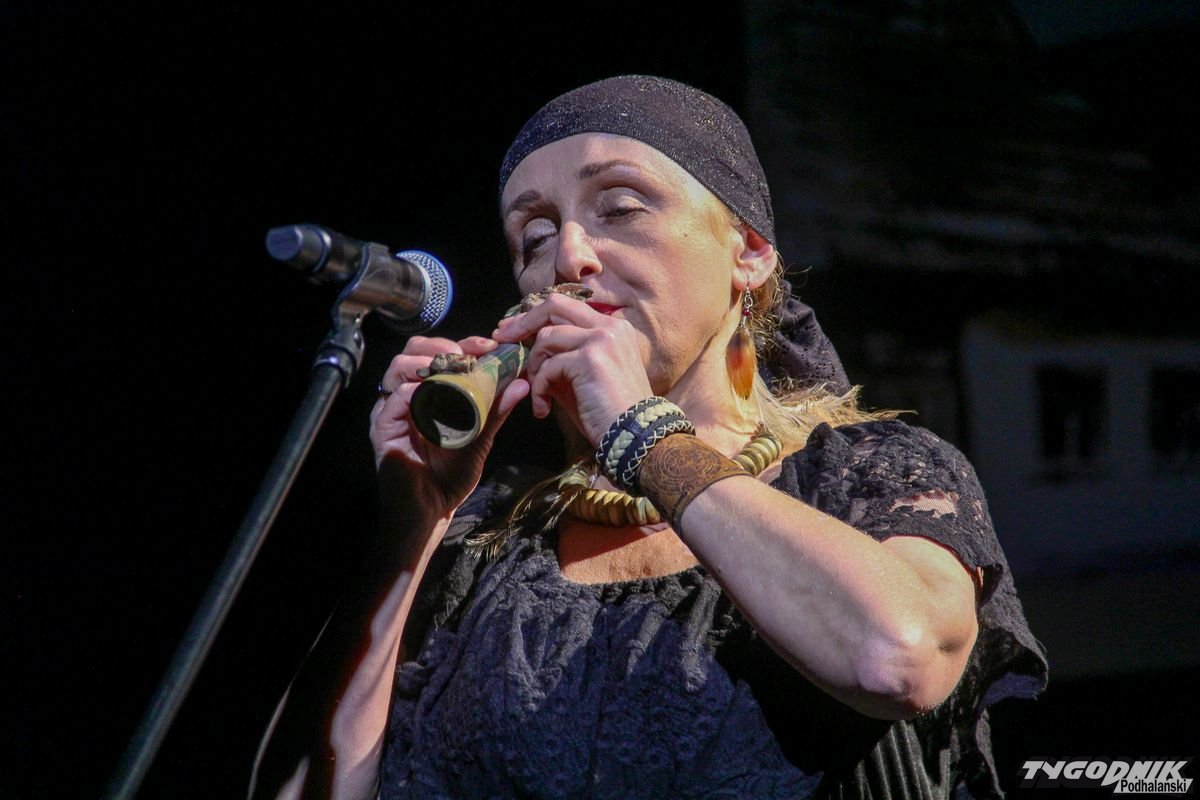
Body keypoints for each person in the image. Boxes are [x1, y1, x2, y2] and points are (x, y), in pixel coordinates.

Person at [250, 75, 1047, 800]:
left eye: (621, 207)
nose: (569, 255)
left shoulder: (873, 474)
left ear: (749, 252)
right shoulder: (482, 546)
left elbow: (897, 659)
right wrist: (412, 524)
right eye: (534, 236)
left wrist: (641, 433)